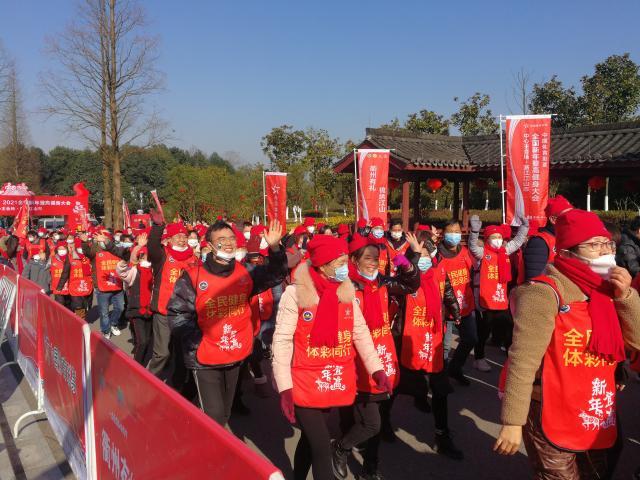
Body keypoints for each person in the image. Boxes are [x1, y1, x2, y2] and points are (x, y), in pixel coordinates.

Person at [495, 209, 640, 479]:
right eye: (593, 245)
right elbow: (523, 359)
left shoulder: (607, 289)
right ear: (567, 253)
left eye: (607, 244)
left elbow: (636, 341)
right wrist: (512, 421)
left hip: (593, 403)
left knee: (599, 470)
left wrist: (627, 297)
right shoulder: (543, 293)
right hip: (550, 406)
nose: (605, 251)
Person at [272, 234, 390, 480]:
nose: (345, 268)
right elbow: (282, 341)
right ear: (322, 265)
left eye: (345, 261)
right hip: (302, 382)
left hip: (328, 380)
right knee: (322, 445)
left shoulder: (345, 292)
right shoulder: (295, 294)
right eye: (340, 262)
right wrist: (285, 388)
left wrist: (376, 369)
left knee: (310, 441)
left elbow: (360, 333)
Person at [168, 220, 287, 426]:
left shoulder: (246, 272)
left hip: (235, 353)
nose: (229, 243)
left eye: (232, 238)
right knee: (213, 416)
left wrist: (275, 248)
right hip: (204, 359)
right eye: (221, 239)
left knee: (225, 413)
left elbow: (276, 275)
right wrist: (199, 342)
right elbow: (177, 314)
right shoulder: (193, 277)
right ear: (210, 245)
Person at [333, 232, 421, 480]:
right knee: (362, 418)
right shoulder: (346, 287)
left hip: (381, 355)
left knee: (376, 418)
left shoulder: (382, 282)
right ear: (354, 260)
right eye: (367, 258)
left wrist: (405, 260)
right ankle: (342, 446)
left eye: (376, 258)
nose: (373, 263)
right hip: (355, 358)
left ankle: (370, 466)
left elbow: (410, 284)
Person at [388, 226, 463, 460]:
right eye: (420, 253)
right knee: (396, 386)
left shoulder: (439, 270)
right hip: (407, 340)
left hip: (433, 339)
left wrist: (455, 310)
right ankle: (381, 423)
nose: (425, 258)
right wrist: (412, 255)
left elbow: (447, 290)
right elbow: (402, 274)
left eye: (427, 253)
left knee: (440, 390)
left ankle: (442, 435)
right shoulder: (404, 270)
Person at [468, 215, 529, 371]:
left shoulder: (505, 251)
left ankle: (511, 359)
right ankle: (479, 358)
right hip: (485, 301)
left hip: (501, 299)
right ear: (487, 239)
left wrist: (524, 228)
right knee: (484, 331)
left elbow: (517, 242)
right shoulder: (482, 253)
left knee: (509, 327)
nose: (497, 240)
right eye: (494, 237)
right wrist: (474, 231)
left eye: (500, 237)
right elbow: (472, 246)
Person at [147, 215, 198, 384]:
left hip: (185, 313)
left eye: (184, 236)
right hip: (164, 311)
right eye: (178, 236)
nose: (182, 239)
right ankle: (148, 379)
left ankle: (177, 386)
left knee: (182, 353)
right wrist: (157, 227)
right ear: (169, 239)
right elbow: (152, 246)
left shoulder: (193, 258)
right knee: (162, 353)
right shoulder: (162, 255)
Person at [436, 219, 477, 385]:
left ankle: (455, 368)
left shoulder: (465, 252)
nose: (454, 235)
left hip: (465, 306)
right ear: (443, 234)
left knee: (470, 339)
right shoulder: (437, 255)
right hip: (446, 309)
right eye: (450, 232)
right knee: (444, 348)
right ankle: (441, 380)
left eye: (457, 232)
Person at [81, 229, 130, 339]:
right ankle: (105, 330)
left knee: (120, 308)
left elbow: (126, 255)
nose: (101, 241)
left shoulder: (117, 251)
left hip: (117, 286)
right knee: (104, 312)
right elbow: (87, 252)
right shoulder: (95, 252)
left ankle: (113, 324)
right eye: (100, 239)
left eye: (104, 238)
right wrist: (84, 242)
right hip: (102, 287)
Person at [117, 233, 154, 365]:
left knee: (148, 341)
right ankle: (136, 366)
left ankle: (142, 366)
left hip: (151, 309)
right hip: (136, 310)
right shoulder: (134, 270)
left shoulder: (154, 270)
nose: (145, 257)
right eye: (142, 255)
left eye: (147, 255)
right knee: (142, 341)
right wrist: (138, 247)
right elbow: (122, 271)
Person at [522, 195, 574, 281]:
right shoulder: (539, 242)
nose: (572, 220)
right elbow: (534, 280)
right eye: (567, 216)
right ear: (553, 219)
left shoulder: (567, 239)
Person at [57, 237, 94, 319]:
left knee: (87, 306)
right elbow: (65, 273)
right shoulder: (70, 258)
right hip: (75, 287)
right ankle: (81, 321)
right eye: (79, 247)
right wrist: (60, 287)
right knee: (78, 306)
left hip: (87, 286)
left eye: (82, 248)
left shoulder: (88, 258)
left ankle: (83, 315)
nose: (80, 250)